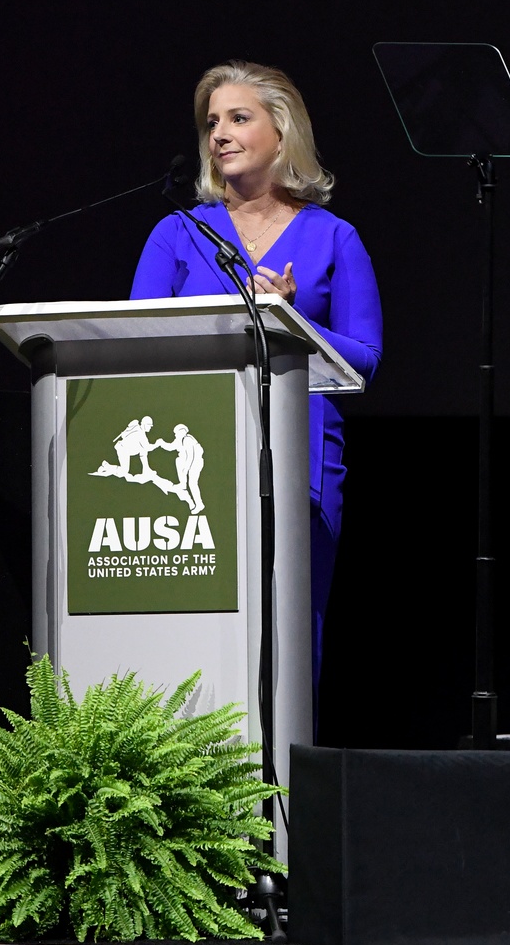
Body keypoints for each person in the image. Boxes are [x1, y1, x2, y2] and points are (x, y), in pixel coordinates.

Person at [130, 61, 383, 713]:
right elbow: (136, 338)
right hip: (192, 457)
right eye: (211, 121)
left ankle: (286, 798)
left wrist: (290, 322)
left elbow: (366, 357)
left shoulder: (333, 237)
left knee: (290, 632)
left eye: (238, 117)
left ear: (282, 132)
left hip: (299, 453)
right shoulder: (177, 233)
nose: (219, 133)